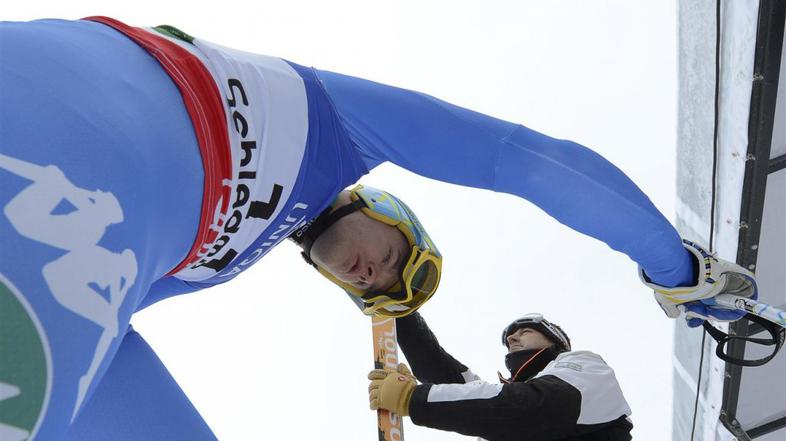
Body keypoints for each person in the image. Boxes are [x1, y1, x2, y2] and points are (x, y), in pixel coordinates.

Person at [0, 17, 754, 440]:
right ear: (381, 209)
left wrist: (408, 380)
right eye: (391, 255)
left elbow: (104, 357)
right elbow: (522, 159)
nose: (373, 271)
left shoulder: (208, 263)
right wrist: (677, 268)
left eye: (378, 285)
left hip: (54, 271)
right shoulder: (341, 132)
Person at [368, 312, 633, 440]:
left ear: (555, 341)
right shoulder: (507, 404)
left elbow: (537, 407)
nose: (512, 338)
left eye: (526, 331)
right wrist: (399, 312)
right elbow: (450, 379)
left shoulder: (584, 365)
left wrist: (415, 399)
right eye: (508, 339)